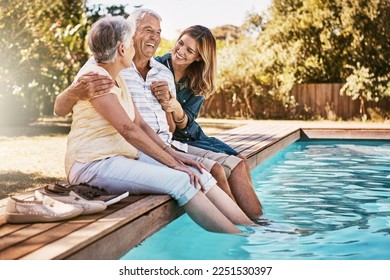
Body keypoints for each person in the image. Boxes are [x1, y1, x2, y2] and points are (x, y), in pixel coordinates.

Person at [54, 9, 263, 219]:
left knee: (235, 164)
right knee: (208, 172)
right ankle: (243, 229)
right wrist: (73, 91)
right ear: (130, 34)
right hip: (132, 151)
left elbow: (167, 127)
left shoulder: (162, 72)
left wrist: (168, 104)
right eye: (148, 30)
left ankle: (251, 225)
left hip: (163, 143)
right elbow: (128, 127)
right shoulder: (113, 68)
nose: (155, 37)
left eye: (158, 32)